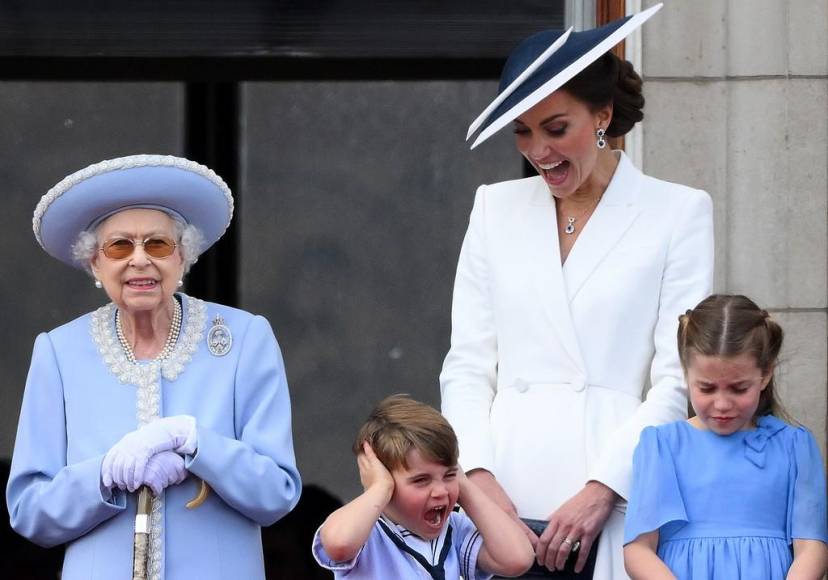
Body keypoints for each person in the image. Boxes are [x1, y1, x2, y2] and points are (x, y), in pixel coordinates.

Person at [440, 4, 714, 578]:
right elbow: (467, 365)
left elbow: (675, 378)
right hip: (503, 500)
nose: (539, 151)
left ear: (602, 115)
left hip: (612, 494)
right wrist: (480, 479)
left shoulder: (678, 212)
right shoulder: (494, 207)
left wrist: (603, 488)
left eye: (555, 128)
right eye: (522, 132)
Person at [6, 154, 302, 580]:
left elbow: (277, 493)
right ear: (95, 263)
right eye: (119, 246)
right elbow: (29, 511)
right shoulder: (59, 351)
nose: (140, 260)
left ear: (183, 257)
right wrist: (103, 474)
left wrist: (197, 443)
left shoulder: (244, 339)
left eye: (158, 245)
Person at [623, 294, 828, 579]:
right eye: (707, 388)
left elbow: (811, 547)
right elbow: (638, 549)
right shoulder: (662, 446)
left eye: (738, 388)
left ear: (765, 374)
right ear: (685, 374)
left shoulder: (794, 446)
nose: (722, 404)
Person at [312, 394, 534, 578]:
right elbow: (338, 543)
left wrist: (463, 484)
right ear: (386, 481)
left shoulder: (454, 529)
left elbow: (517, 558)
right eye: (421, 480)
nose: (440, 491)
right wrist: (378, 488)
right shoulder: (366, 531)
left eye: (448, 475)